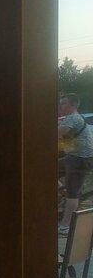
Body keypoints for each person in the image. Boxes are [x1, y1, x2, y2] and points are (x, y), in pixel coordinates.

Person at [57, 92, 93, 232]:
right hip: (73, 157)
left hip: (80, 160)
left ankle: (65, 226)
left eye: (63, 103)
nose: (60, 106)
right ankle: (63, 189)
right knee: (47, 169)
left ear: (73, 105)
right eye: (60, 103)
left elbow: (55, 134)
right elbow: (67, 141)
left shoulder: (73, 118)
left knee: (73, 193)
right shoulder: (70, 118)